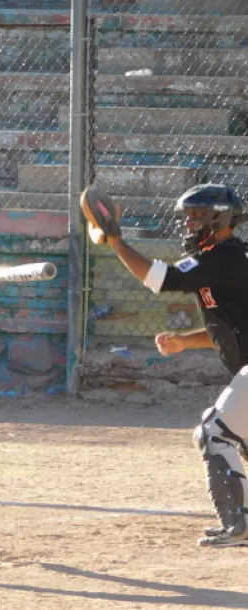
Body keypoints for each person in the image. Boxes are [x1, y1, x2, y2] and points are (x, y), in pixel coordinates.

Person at [99, 183, 248, 547]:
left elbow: (159, 279)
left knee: (214, 432)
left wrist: (117, 242)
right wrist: (185, 341)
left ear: (220, 219)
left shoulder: (221, 258)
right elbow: (230, 327)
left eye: (197, 216)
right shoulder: (227, 258)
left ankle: (239, 526)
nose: (189, 225)